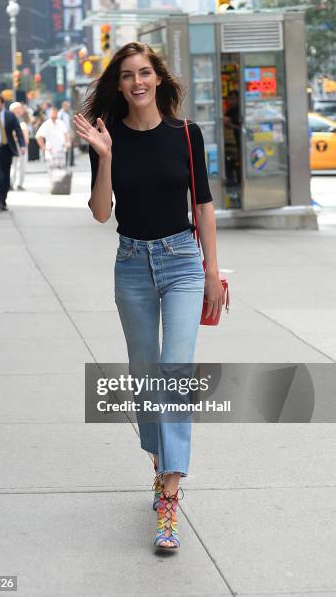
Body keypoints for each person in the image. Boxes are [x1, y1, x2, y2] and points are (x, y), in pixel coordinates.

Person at [73, 42, 224, 550]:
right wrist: (105, 157)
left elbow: (202, 206)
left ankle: (169, 496)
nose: (137, 82)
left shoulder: (187, 134)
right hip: (132, 264)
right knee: (144, 374)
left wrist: (211, 271)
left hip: (182, 262)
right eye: (127, 75)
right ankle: (160, 458)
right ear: (118, 85)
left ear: (158, 79)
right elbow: (99, 212)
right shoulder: (106, 136)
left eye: (145, 73)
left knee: (175, 370)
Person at [35, 105, 70, 170]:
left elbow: (66, 133)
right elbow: (38, 136)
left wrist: (68, 142)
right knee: (53, 170)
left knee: (62, 170)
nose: (54, 114)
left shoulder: (60, 122)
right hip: (51, 150)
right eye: (52, 113)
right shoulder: (46, 124)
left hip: (61, 150)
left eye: (55, 113)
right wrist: (43, 147)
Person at [9, 102, 29, 191]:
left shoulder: (21, 119)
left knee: (21, 166)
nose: (22, 110)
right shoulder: (11, 119)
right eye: (20, 108)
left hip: (22, 146)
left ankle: (18, 184)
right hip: (17, 146)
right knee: (14, 166)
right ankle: (12, 184)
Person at [58, 100, 74, 165]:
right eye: (67, 107)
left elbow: (69, 124)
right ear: (64, 106)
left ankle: (70, 161)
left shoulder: (68, 114)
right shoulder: (60, 114)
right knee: (64, 147)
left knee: (70, 146)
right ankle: (64, 161)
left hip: (68, 132)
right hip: (62, 133)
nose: (68, 108)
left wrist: (71, 131)